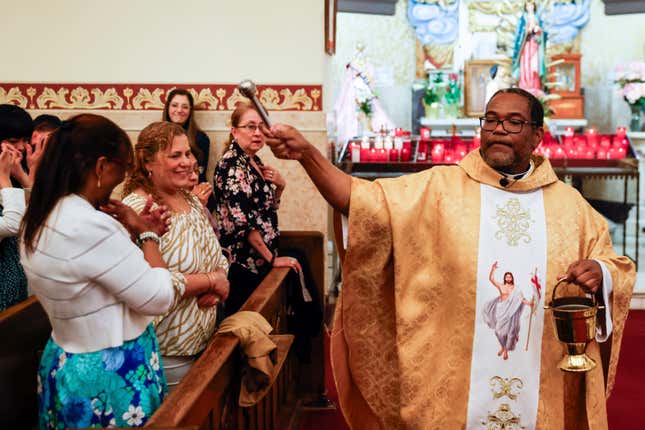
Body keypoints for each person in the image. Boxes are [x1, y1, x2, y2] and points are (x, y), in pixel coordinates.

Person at [263, 88, 634, 428]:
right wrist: (308, 156)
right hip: (453, 384)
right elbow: (360, 201)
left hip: (542, 380)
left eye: (514, 122)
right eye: (491, 119)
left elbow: (610, 264)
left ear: (537, 135)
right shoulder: (438, 189)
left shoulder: (570, 208)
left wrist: (600, 272)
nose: (499, 129)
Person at [19, 114, 176, 428]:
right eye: (124, 168)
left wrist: (131, 236)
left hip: (66, 359)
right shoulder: (89, 224)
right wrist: (148, 236)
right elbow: (159, 298)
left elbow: (91, 277)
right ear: (102, 166)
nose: (123, 178)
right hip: (106, 373)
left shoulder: (41, 213)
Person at [122, 121, 230, 388]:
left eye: (188, 153)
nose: (187, 162)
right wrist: (210, 281)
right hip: (165, 350)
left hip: (203, 341)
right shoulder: (135, 209)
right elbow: (147, 284)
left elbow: (217, 259)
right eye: (175, 155)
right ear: (148, 162)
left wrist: (218, 284)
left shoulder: (190, 199)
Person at [213, 102, 300, 315]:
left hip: (261, 259)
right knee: (246, 327)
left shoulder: (253, 160)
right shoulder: (233, 166)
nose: (257, 133)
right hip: (244, 264)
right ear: (234, 131)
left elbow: (267, 211)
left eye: (262, 127)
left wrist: (280, 187)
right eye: (250, 126)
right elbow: (245, 226)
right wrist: (272, 259)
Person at [0, 104, 33, 310]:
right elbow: (12, 224)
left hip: (18, 293)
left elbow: (43, 215)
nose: (20, 147)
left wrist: (22, 176)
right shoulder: (5, 180)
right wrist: (4, 178)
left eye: (25, 141)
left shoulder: (14, 178)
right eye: (13, 141)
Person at [483, 261, 534, 360]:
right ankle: (502, 346)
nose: (508, 278)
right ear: (505, 278)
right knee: (498, 331)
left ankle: (506, 350)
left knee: (510, 332)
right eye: (507, 277)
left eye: (510, 277)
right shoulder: (501, 286)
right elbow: (491, 279)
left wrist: (529, 303)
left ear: (512, 278)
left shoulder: (516, 289)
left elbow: (521, 299)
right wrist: (493, 268)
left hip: (512, 313)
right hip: (501, 311)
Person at [162, 89, 211, 184]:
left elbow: (201, 174)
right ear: (168, 108)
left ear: (190, 111)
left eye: (185, 107)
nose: (179, 110)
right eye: (174, 105)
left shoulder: (201, 139)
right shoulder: (156, 137)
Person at [511, 0, 546, 93]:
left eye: (531, 5)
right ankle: (525, 84)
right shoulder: (523, 19)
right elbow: (518, 35)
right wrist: (527, 31)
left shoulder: (538, 19)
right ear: (525, 7)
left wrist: (538, 31)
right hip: (525, 46)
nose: (530, 7)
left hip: (534, 45)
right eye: (528, 5)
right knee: (525, 64)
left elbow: (543, 35)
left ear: (534, 6)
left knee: (534, 65)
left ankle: (534, 85)